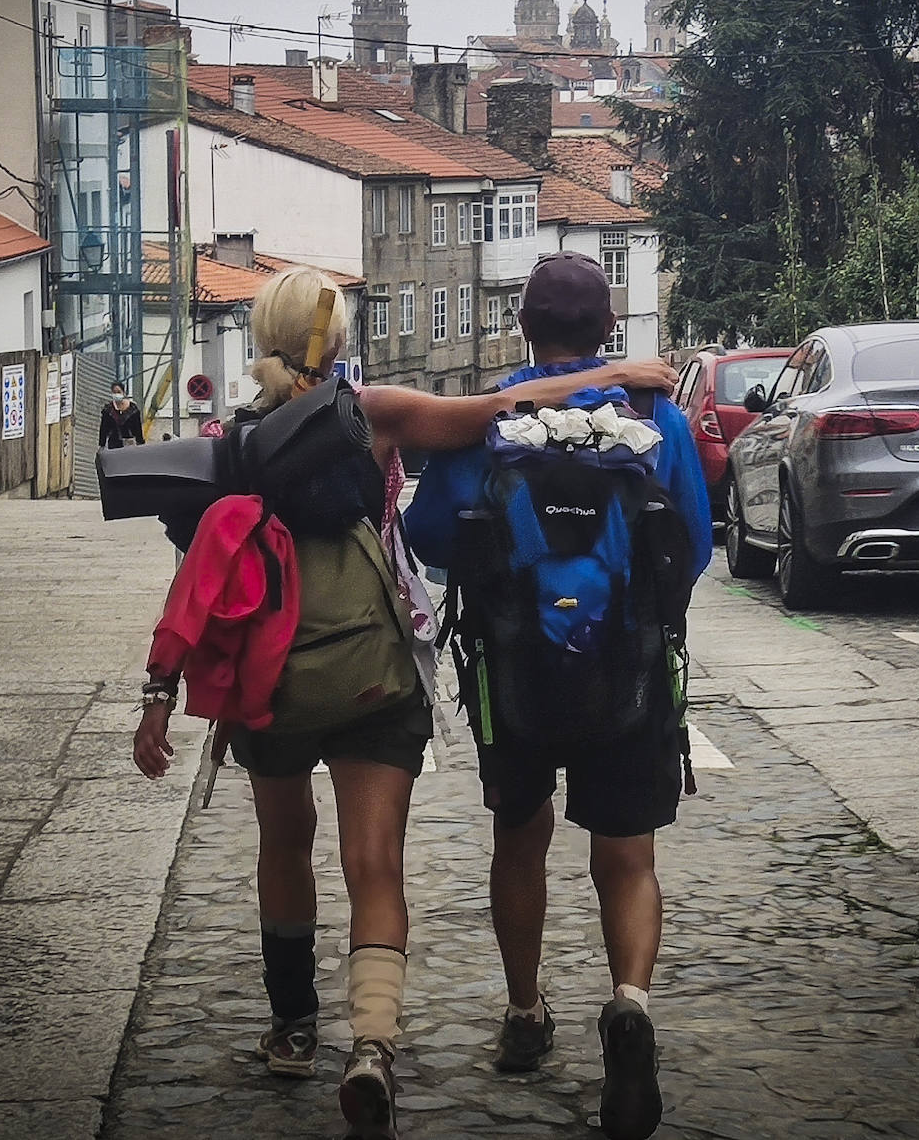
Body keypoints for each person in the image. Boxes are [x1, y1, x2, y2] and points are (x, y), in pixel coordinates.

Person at [131, 265, 680, 1140]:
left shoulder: (226, 441)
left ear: (257, 336)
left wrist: (163, 691)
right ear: (340, 339)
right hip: (370, 672)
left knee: (285, 840)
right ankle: (372, 1047)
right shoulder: (374, 413)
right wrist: (619, 377)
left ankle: (293, 1026)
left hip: (269, 678)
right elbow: (509, 406)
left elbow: (199, 576)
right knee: (374, 862)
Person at [404, 253, 713, 1140]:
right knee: (629, 857)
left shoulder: (494, 415)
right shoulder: (653, 413)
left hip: (516, 675)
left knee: (520, 841)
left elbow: (430, 538)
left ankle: (525, 1013)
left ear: (525, 328)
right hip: (630, 669)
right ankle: (629, 1004)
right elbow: (690, 546)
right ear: (609, 335)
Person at [100, 380, 145, 449]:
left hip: (129, 445)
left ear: (123, 393)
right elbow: (103, 429)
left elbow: (138, 429)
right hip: (113, 445)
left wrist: (140, 443)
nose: (116, 394)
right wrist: (101, 445)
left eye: (118, 392)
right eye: (114, 392)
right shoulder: (108, 410)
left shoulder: (133, 409)